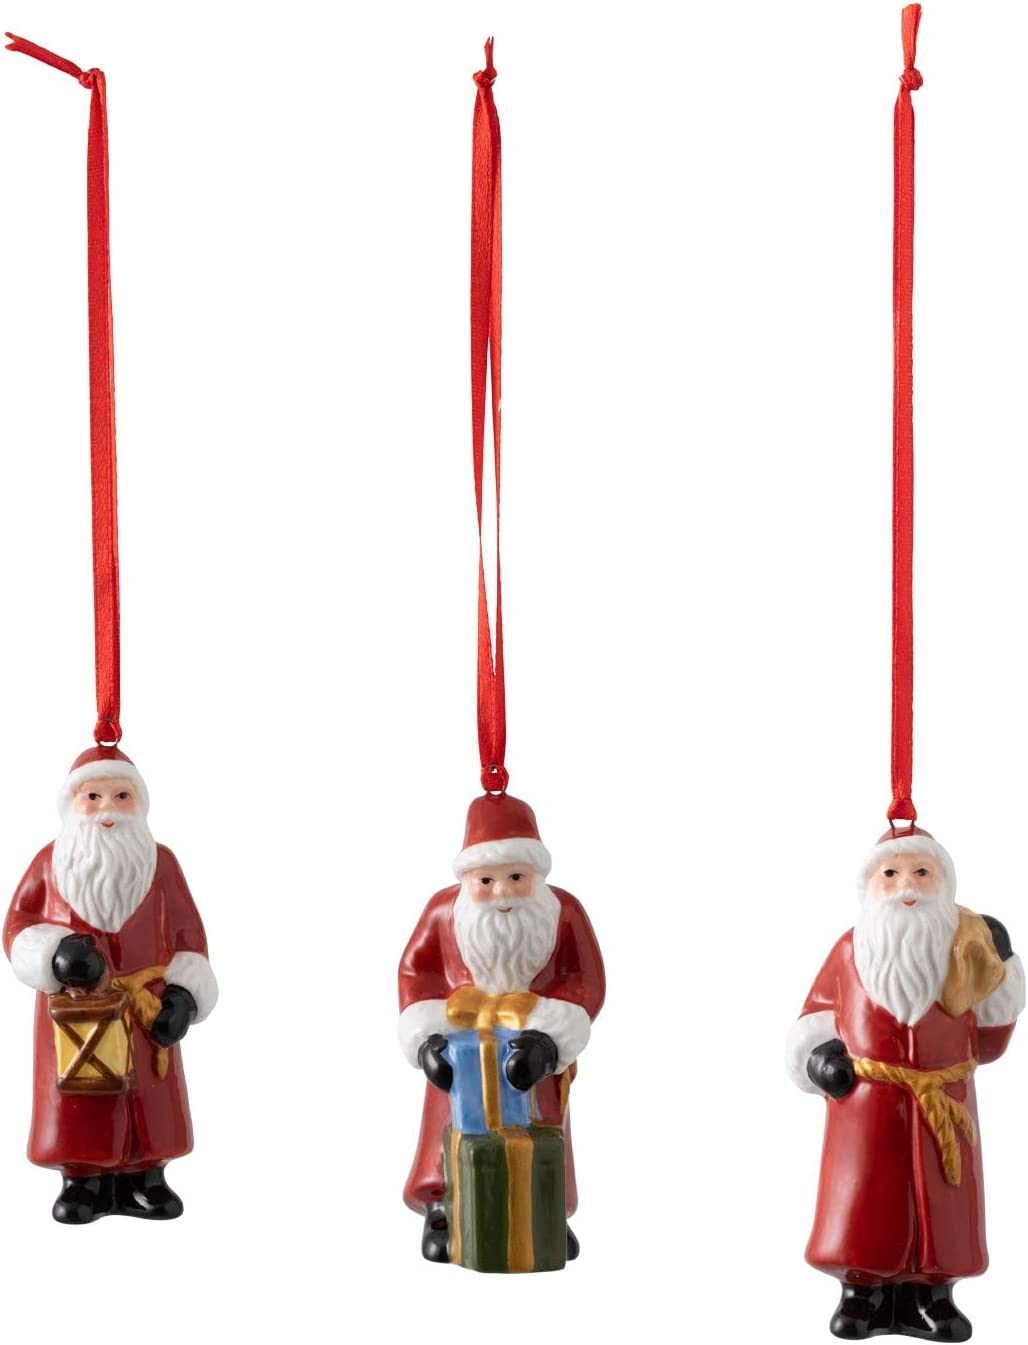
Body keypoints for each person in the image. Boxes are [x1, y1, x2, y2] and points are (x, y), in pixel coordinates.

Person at [786, 828, 1024, 1340]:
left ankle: (931, 1297)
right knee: (864, 1198)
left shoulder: (964, 950)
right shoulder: (851, 949)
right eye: (890, 874)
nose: (906, 886)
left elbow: (989, 1041)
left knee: (944, 1203)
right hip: (866, 1106)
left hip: (944, 1097)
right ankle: (861, 1293)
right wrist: (819, 1058)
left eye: (921, 872)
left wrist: (1001, 965)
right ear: (870, 885)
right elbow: (817, 1013)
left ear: (945, 882)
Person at [3, 746, 218, 1223]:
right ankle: (84, 1181)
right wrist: (55, 954)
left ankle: (146, 1176)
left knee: (150, 1095)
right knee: (81, 1093)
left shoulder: (161, 864)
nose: (107, 810)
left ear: (140, 803)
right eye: (93, 796)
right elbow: (18, 925)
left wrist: (183, 997)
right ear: (71, 803)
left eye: (122, 796)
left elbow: (188, 935)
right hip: (76, 1010)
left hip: (145, 1009)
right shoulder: (50, 862)